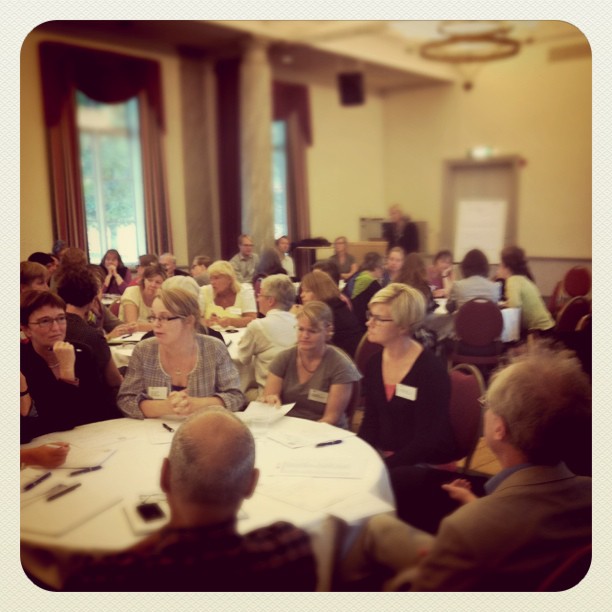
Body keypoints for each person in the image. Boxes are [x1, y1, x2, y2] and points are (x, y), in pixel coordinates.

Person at [341, 344, 591, 592]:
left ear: (499, 428)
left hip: (474, 563)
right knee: (381, 525)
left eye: (487, 403)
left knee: (371, 528)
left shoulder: (466, 529)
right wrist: (476, 505)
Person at [64, 408, 317, 591]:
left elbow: (75, 578)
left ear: (164, 476)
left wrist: (168, 531)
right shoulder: (290, 547)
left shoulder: (104, 580)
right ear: (250, 484)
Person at [358, 283, 458, 469]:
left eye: (378, 318)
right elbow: (370, 421)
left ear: (403, 327)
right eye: (370, 315)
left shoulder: (430, 371)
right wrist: (356, 453)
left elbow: (426, 441)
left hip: (428, 463)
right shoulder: (373, 364)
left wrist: (383, 467)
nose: (368, 323)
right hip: (390, 457)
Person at [117, 287, 244, 418]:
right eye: (153, 317)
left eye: (164, 318)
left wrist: (195, 405)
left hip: (204, 429)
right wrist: (167, 406)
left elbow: (236, 397)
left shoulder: (214, 348)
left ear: (189, 321)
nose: (155, 324)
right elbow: (126, 401)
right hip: (154, 432)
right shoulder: (144, 350)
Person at [20, 290, 120, 442]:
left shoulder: (82, 353)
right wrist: (67, 371)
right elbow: (60, 421)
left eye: (61, 319)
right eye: (45, 321)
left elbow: (98, 409)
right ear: (26, 329)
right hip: (42, 448)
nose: (56, 328)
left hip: (88, 440)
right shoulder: (21, 363)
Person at [263, 301, 361, 428]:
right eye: (301, 329)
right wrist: (271, 400)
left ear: (328, 331)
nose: (304, 336)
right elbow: (270, 398)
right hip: (286, 429)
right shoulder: (284, 358)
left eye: (312, 331)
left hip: (324, 431)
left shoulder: (340, 366)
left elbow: (331, 418)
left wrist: (302, 436)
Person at [56, 266, 124, 393]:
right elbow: (114, 381)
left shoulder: (53, 330)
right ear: (93, 299)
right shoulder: (93, 336)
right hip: (96, 404)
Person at [236, 274, 297, 398]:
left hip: (269, 396)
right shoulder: (300, 323)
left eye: (260, 295)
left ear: (271, 301)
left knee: (239, 394)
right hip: (296, 393)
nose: (257, 299)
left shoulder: (258, 326)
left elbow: (242, 359)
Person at [298, 270, 363, 357]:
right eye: (302, 291)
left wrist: (295, 317)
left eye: (307, 291)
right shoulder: (339, 306)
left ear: (320, 291)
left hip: (339, 361)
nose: (302, 295)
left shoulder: (326, 314)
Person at [497, 246, 555, 335]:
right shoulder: (524, 279)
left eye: (500, 265)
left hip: (539, 333)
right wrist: (506, 303)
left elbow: (514, 306)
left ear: (506, 267)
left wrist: (503, 305)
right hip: (548, 328)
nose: (498, 269)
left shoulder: (512, 280)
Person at [199, 260, 257, 328]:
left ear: (229, 279)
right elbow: (195, 319)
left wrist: (231, 322)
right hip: (212, 335)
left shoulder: (244, 291)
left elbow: (252, 319)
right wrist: (205, 322)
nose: (212, 282)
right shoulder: (204, 291)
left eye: (216, 278)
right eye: (211, 278)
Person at [446, 249, 500, 314]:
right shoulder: (495, 287)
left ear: (464, 267)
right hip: (489, 324)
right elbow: (494, 311)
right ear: (486, 267)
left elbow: (449, 308)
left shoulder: (458, 286)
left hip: (464, 323)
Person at [119, 264, 166, 332]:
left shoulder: (163, 296)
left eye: (158, 282)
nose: (153, 285)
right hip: (129, 337)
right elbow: (131, 325)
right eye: (150, 280)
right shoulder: (131, 292)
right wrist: (157, 325)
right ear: (144, 280)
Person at [349, 252, 385, 329]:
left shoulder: (359, 275)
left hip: (353, 319)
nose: (383, 270)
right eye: (382, 266)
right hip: (363, 324)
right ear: (376, 267)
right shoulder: (373, 284)